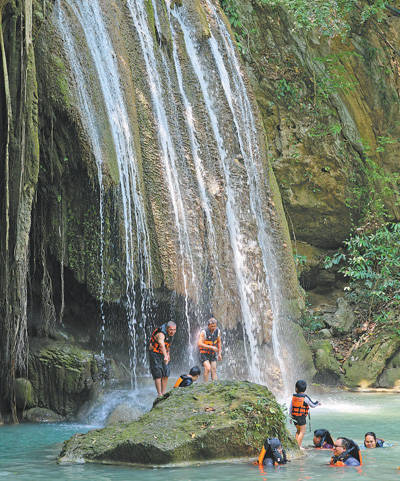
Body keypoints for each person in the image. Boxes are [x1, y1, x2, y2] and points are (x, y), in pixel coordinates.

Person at [148, 321, 177, 397]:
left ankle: (163, 392)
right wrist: (165, 356)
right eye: (171, 330)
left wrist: (168, 354)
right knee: (158, 373)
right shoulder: (161, 334)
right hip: (155, 353)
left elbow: (168, 345)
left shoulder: (171, 334)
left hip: (164, 353)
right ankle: (159, 394)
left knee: (166, 372)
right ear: (167, 329)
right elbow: (161, 344)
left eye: (174, 330)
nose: (172, 331)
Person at [290, 379, 320, 449]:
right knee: (302, 432)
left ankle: (296, 445)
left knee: (298, 431)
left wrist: (290, 416)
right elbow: (312, 405)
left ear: (296, 388)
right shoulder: (305, 398)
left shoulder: (294, 397)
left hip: (294, 416)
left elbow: (291, 407)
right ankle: (299, 446)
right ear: (305, 389)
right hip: (301, 417)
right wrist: (317, 403)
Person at [198, 317, 222, 382]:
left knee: (213, 369)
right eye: (212, 326)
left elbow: (219, 342)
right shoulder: (204, 332)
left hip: (212, 353)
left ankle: (215, 386)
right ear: (208, 326)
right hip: (204, 353)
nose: (213, 328)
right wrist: (212, 347)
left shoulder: (217, 331)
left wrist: (219, 353)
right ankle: (205, 385)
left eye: (214, 326)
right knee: (208, 368)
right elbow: (199, 343)